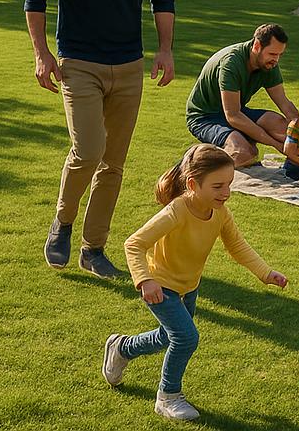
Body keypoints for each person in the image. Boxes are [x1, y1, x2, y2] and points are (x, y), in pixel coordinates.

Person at [26, 0, 176, 279]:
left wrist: (165, 50)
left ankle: (93, 248)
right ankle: (63, 222)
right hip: (80, 64)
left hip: (129, 66)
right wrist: (42, 54)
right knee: (88, 151)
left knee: (113, 163)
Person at [103, 144, 288, 421]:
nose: (226, 192)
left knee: (169, 337)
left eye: (229, 184)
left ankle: (122, 348)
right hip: (161, 286)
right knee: (187, 338)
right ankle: (168, 397)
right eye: (217, 186)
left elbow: (237, 246)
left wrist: (265, 273)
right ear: (193, 184)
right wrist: (145, 280)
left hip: (188, 287)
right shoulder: (176, 211)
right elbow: (134, 244)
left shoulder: (221, 213)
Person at [185, 23, 299, 167]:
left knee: (285, 130)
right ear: (257, 46)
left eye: (279, 55)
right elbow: (232, 115)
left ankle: (235, 142)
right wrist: (275, 144)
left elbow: (284, 103)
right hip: (205, 117)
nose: (276, 60)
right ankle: (197, 161)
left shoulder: (269, 64)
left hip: (236, 110)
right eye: (272, 54)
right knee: (244, 154)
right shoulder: (231, 63)